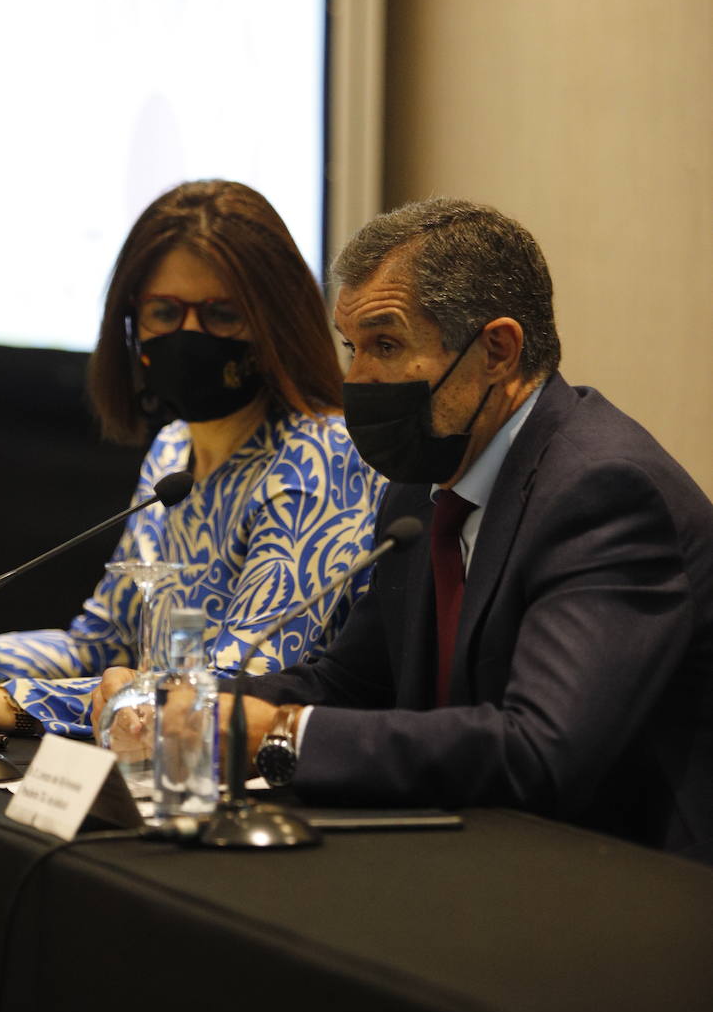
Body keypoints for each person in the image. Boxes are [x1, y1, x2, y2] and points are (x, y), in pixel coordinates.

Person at [192, 196, 713, 863]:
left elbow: (542, 751)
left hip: (629, 884)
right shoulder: (425, 485)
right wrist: (195, 704)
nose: (355, 380)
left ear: (497, 350)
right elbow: (351, 684)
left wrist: (288, 735)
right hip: (482, 858)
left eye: (386, 345)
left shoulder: (602, 492)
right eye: (352, 347)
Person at [0, 180, 386, 737]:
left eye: (223, 315)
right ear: (131, 322)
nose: (189, 336)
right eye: (164, 312)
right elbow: (95, 645)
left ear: (277, 321)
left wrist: (4, 705)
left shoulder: (323, 456)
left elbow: (233, 684)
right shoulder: (174, 449)